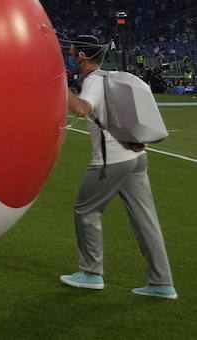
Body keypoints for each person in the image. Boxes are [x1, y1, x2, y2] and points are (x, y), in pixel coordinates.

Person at [60, 41, 177, 299]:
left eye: (69, 53)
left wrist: (59, 82)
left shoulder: (93, 81)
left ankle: (91, 274)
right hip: (137, 155)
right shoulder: (109, 77)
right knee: (146, 219)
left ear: (81, 56)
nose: (68, 58)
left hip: (111, 158)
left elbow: (81, 108)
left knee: (85, 209)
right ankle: (162, 282)